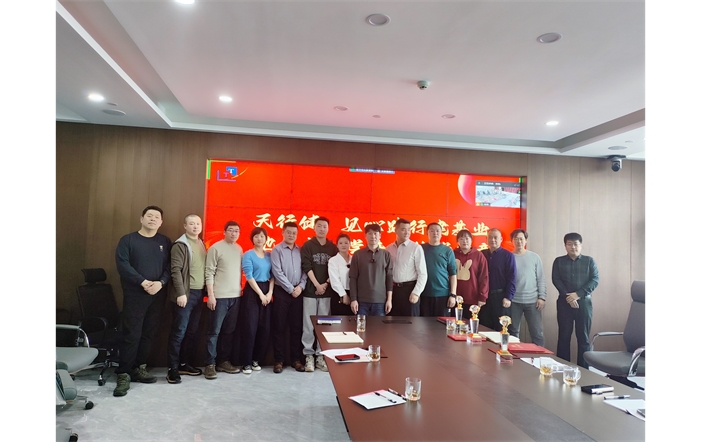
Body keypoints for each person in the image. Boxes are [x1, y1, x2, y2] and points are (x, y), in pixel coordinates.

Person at [113, 206, 171, 397]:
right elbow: (123, 265)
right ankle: (123, 373)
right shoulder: (128, 240)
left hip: (158, 294)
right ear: (141, 219)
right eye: (149, 216)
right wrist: (143, 282)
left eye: (157, 217)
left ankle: (139, 368)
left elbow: (169, 267)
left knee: (149, 333)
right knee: (132, 334)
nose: (153, 219)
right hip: (135, 294)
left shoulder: (164, 241)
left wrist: (161, 283)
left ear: (161, 222)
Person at [165, 214, 206, 384]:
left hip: (199, 293)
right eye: (191, 223)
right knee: (179, 332)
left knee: (192, 331)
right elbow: (175, 270)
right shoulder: (180, 244)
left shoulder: (201, 243)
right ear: (185, 226)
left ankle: (184, 364)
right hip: (185, 295)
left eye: (198, 223)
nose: (195, 226)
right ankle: (172, 369)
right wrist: (181, 293)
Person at [203, 221, 244, 380]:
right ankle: (210, 364)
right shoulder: (215, 248)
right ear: (224, 232)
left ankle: (223, 361)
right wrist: (211, 295)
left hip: (236, 297)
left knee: (229, 331)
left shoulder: (239, 249)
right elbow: (209, 272)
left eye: (237, 231)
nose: (234, 233)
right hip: (219, 297)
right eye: (231, 230)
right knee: (214, 332)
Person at [552, 232, 599, 368]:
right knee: (563, 337)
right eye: (570, 244)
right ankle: (562, 367)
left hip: (584, 303)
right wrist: (568, 296)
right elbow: (556, 279)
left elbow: (595, 280)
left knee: (583, 337)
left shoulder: (589, 261)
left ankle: (584, 370)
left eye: (576, 244)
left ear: (581, 245)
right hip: (564, 303)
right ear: (565, 246)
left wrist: (578, 294)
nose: (573, 247)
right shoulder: (559, 261)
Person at [300, 216, 338, 372]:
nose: (322, 229)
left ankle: (320, 356)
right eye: (319, 226)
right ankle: (308, 356)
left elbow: (335, 269)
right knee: (308, 325)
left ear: (328, 229)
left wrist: (325, 285)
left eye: (325, 226)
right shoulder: (308, 245)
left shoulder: (333, 248)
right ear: (314, 227)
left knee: (324, 326)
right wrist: (317, 285)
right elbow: (306, 266)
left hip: (326, 292)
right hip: (310, 291)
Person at [270, 222, 307, 373]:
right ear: (283, 232)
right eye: (289, 232)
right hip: (282, 292)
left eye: (294, 233)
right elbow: (277, 272)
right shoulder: (277, 250)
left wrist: (301, 287)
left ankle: (296, 360)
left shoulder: (301, 250)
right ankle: (279, 360)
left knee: (296, 328)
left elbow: (305, 270)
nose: (291, 235)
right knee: (279, 327)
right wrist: (291, 289)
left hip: (298, 292)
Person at [240, 227, 275, 374]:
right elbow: (249, 276)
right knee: (250, 327)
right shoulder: (248, 255)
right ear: (252, 239)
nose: (259, 239)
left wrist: (269, 293)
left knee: (264, 328)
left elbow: (272, 276)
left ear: (266, 238)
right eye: (256, 236)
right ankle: (246, 362)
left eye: (262, 236)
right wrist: (261, 294)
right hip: (252, 291)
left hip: (267, 290)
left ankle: (256, 360)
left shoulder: (270, 255)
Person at [508, 229, 546, 346]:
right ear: (512, 241)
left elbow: (540, 278)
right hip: (514, 301)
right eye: (516, 239)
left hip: (533, 301)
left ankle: (540, 356)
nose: (519, 241)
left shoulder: (535, 257)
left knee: (537, 333)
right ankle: (514, 356)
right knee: (513, 332)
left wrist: (542, 297)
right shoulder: (509, 257)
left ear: (526, 240)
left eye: (521, 239)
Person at [386, 218, 427, 316]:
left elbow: (423, 274)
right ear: (396, 230)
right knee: (393, 322)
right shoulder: (388, 248)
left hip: (410, 290)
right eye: (403, 229)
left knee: (411, 322)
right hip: (393, 291)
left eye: (409, 229)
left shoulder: (416, 248)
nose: (407, 232)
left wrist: (416, 292)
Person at [349, 224, 393, 316]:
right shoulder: (358, 255)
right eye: (370, 233)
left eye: (375, 233)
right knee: (360, 325)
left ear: (380, 236)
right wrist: (353, 299)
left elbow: (389, 278)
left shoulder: (386, 255)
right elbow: (353, 278)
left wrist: (389, 300)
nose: (373, 236)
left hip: (380, 302)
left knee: (379, 326)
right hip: (361, 302)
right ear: (365, 236)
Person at [480, 228, 516, 330]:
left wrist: (508, 297)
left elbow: (512, 277)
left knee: (501, 328)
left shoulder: (508, 255)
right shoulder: (481, 254)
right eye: (490, 237)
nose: (493, 240)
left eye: (495, 237)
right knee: (484, 328)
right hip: (484, 298)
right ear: (486, 239)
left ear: (501, 239)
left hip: (501, 297)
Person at [420, 223, 457, 316]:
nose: (435, 233)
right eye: (432, 231)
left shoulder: (447, 251)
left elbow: (453, 274)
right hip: (423, 294)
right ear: (427, 233)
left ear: (441, 234)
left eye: (437, 231)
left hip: (443, 295)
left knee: (441, 323)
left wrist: (453, 295)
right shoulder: (420, 249)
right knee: (423, 323)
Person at [453, 230, 489, 314]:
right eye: (461, 239)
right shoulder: (452, 254)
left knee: (471, 321)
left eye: (467, 238)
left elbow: (484, 277)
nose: (464, 241)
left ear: (471, 240)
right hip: (455, 297)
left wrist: (483, 296)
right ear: (457, 241)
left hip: (473, 298)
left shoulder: (479, 255)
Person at [328, 233, 354, 317]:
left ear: (350, 244)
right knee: (339, 321)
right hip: (338, 294)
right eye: (341, 243)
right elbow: (334, 280)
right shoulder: (333, 260)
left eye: (346, 243)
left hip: (353, 294)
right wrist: (344, 295)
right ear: (337, 245)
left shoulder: (354, 259)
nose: (343, 245)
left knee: (352, 321)